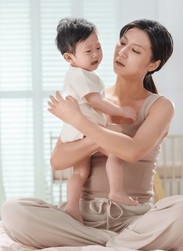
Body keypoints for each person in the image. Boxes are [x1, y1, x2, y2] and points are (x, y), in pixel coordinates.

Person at [1, 19, 183, 251]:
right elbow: (58, 161)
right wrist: (95, 130)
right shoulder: (88, 99)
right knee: (14, 211)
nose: (122, 52)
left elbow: (132, 150)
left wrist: (79, 121)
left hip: (135, 219)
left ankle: (92, 244)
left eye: (135, 50)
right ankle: (117, 245)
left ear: (152, 64)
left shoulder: (160, 106)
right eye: (122, 43)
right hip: (82, 218)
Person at [55, 17, 138, 223]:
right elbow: (96, 102)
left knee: (80, 172)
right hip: (86, 128)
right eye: (88, 51)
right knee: (115, 151)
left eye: (98, 48)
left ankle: (72, 207)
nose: (96, 55)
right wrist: (122, 111)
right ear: (69, 57)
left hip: (74, 131)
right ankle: (116, 191)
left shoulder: (79, 74)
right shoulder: (81, 75)